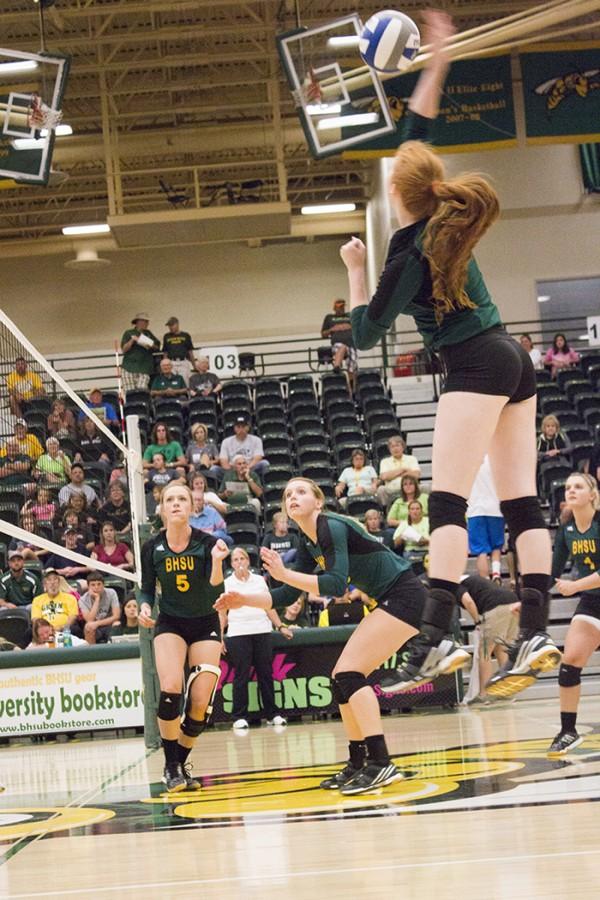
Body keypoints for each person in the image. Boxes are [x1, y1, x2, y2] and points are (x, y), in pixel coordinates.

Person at [341, 10, 559, 698]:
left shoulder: (403, 253)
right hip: (512, 355)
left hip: (472, 365)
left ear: (394, 194)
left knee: (447, 506)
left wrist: (353, 267)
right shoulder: (440, 208)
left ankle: (435, 639)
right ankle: (537, 629)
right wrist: (435, 61)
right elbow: (418, 132)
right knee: (524, 504)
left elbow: (364, 335)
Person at [216, 478, 447, 795]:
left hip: (404, 595)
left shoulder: (330, 526)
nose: (292, 497)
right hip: (390, 598)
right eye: (287, 494)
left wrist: (284, 573)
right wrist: (244, 599)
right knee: (341, 678)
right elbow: (286, 593)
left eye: (300, 492)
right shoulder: (308, 540)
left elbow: (337, 585)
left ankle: (381, 763)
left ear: (319, 502)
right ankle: (358, 762)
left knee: (350, 673)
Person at [138, 481, 230, 792]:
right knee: (170, 688)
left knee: (201, 704)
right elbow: (147, 588)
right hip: (171, 623)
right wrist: (145, 605)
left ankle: (179, 760)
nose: (176, 504)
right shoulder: (152, 547)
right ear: (162, 508)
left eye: (182, 499)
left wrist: (217, 562)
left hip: (205, 623)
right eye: (170, 499)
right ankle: (171, 765)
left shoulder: (208, 544)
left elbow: (216, 589)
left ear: (191, 508)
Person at [547, 472, 600, 756]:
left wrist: (576, 585)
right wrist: (528, 601)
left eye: (578, 486)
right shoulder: (566, 529)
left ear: (592, 494)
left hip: (587, 590)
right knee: (569, 663)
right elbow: (552, 574)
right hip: (593, 603)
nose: (571, 491)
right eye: (567, 487)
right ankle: (568, 731)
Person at [222, 547, 290, 730]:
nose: (239, 562)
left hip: (261, 629)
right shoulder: (227, 583)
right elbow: (222, 612)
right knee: (241, 675)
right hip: (238, 632)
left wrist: (280, 625)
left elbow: (269, 606)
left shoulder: (259, 580)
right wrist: (220, 636)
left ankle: (273, 714)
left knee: (266, 673)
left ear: (248, 561)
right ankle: (239, 716)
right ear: (231, 564)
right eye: (235, 560)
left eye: (242, 558)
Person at [457, 575, 520, 704]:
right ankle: (508, 691)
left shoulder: (456, 586)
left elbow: (468, 602)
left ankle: (485, 694)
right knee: (502, 650)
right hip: (514, 603)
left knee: (484, 652)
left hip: (495, 608)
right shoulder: (474, 580)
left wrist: (477, 621)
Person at [467, 455, 505, 582]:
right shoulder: (495, 458)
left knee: (481, 550)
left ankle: (486, 581)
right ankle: (496, 573)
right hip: (495, 508)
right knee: (496, 546)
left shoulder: (469, 459)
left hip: (475, 510)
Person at [72, 572, 121, 645]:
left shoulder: (111, 593)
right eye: (93, 585)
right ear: (88, 587)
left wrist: (97, 623)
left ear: (103, 585)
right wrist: (97, 600)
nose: (96, 587)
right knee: (88, 627)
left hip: (109, 623)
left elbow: (116, 616)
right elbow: (89, 620)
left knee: (117, 623)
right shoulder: (82, 600)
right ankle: (91, 654)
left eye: (99, 584)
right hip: (94, 626)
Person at [320, 298, 358, 386]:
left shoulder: (350, 316)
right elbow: (323, 334)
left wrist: (348, 326)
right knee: (342, 347)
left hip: (351, 343)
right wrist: (332, 329)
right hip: (338, 342)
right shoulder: (329, 317)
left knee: (352, 367)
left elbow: (357, 327)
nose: (342, 309)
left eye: (343, 307)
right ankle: (337, 366)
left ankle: (352, 387)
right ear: (335, 308)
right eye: (340, 307)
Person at [376, 435, 421, 509]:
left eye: (397, 445)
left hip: (411, 487)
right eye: (392, 447)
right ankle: (386, 511)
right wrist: (403, 470)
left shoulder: (412, 459)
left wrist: (393, 474)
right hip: (392, 489)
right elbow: (384, 477)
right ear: (389, 449)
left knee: (426, 487)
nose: (395, 448)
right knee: (381, 489)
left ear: (403, 447)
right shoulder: (384, 461)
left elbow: (416, 474)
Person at [120, 313, 161, 394]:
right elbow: (124, 349)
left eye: (147, 322)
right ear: (138, 322)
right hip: (129, 367)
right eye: (144, 321)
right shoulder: (128, 333)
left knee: (142, 392)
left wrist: (146, 342)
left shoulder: (148, 334)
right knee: (130, 393)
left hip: (145, 368)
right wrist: (132, 340)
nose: (146, 324)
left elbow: (157, 346)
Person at [0, 549, 42, 614]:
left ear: (23, 562)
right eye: (13, 561)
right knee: (2, 609)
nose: (16, 563)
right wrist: (7, 605)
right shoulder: (3, 579)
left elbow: (39, 599)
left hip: (27, 607)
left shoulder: (33, 579)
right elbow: (1, 600)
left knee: (33, 608)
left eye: (19, 560)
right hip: (11, 607)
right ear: (9, 564)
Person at [162, 316, 196, 385]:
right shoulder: (166, 336)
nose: (170, 327)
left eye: (172, 325)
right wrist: (164, 365)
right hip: (171, 362)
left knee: (185, 382)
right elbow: (165, 352)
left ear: (177, 324)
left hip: (183, 361)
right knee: (171, 382)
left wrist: (194, 365)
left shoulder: (185, 335)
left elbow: (190, 351)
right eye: (169, 326)